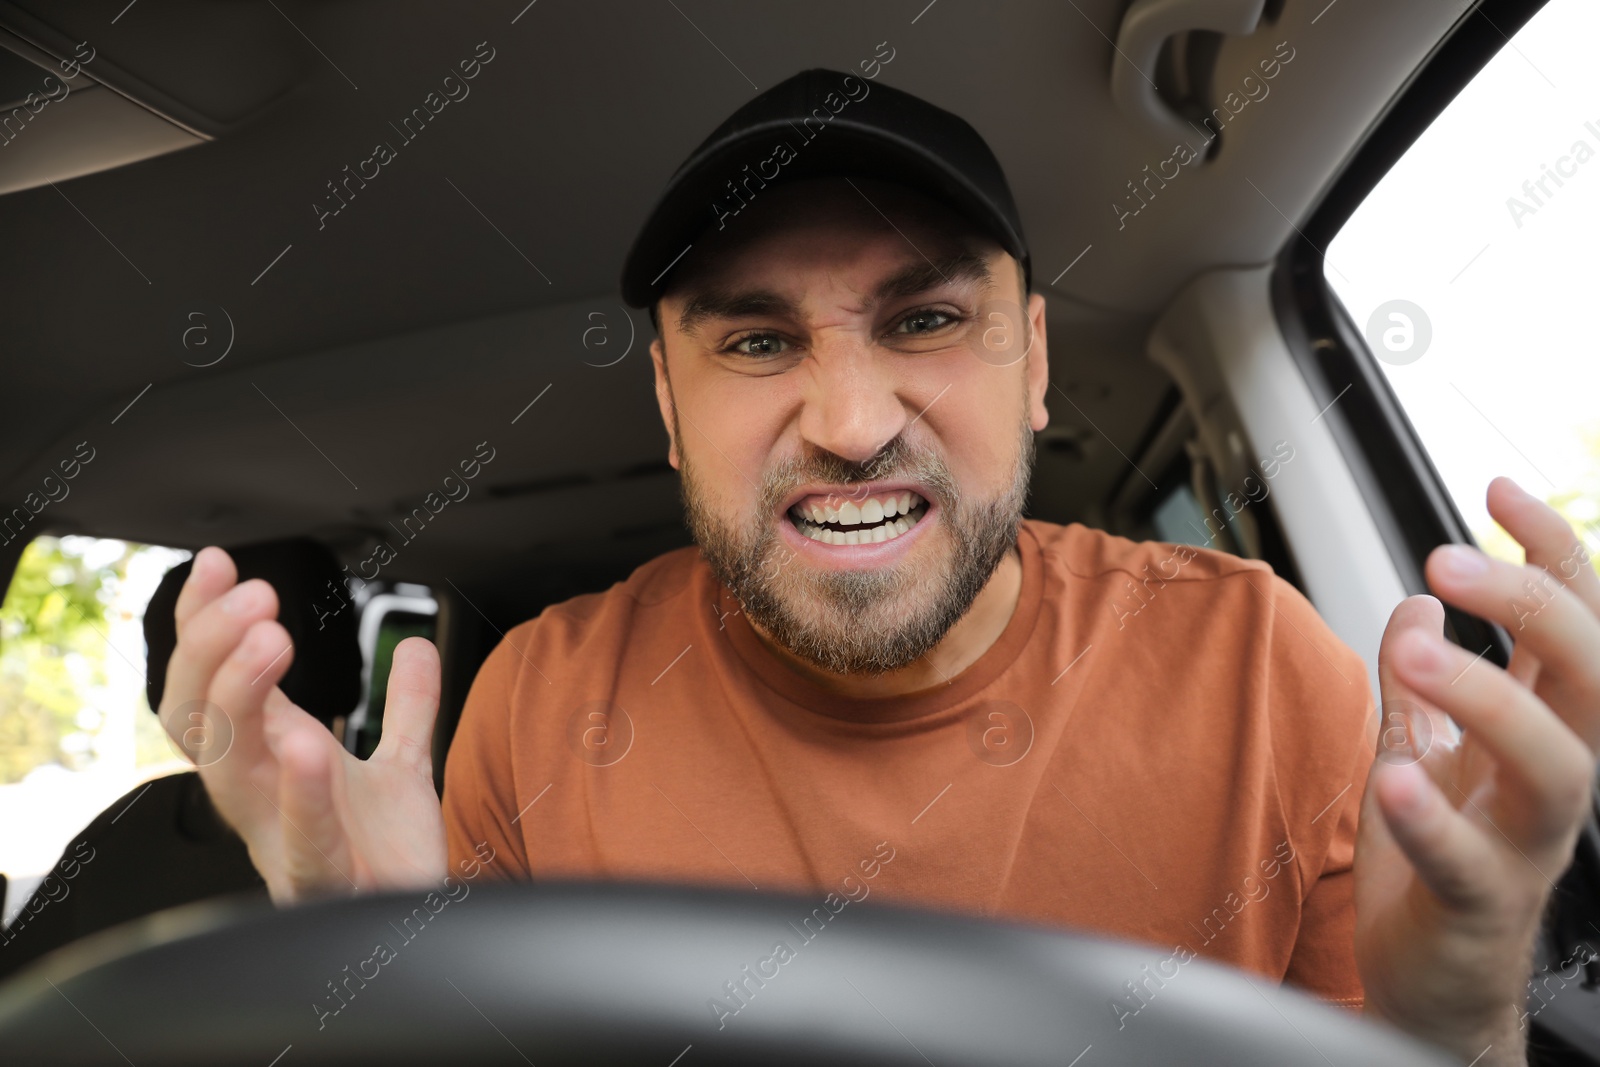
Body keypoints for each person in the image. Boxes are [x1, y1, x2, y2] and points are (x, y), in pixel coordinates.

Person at [161, 70, 1598, 1064]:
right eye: (758, 341)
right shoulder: (536, 706)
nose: (850, 429)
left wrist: (1456, 1023)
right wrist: (381, 991)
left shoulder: (1259, 664)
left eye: (922, 322)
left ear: (1032, 360)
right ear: (670, 408)